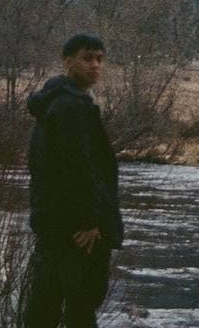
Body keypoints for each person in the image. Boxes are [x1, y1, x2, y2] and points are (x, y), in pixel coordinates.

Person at [26, 33, 123, 328]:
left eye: (99, 59)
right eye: (87, 58)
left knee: (46, 303)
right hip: (77, 228)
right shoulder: (70, 107)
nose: (95, 66)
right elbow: (78, 167)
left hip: (52, 220)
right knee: (80, 306)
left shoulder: (55, 103)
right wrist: (89, 220)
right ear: (68, 62)